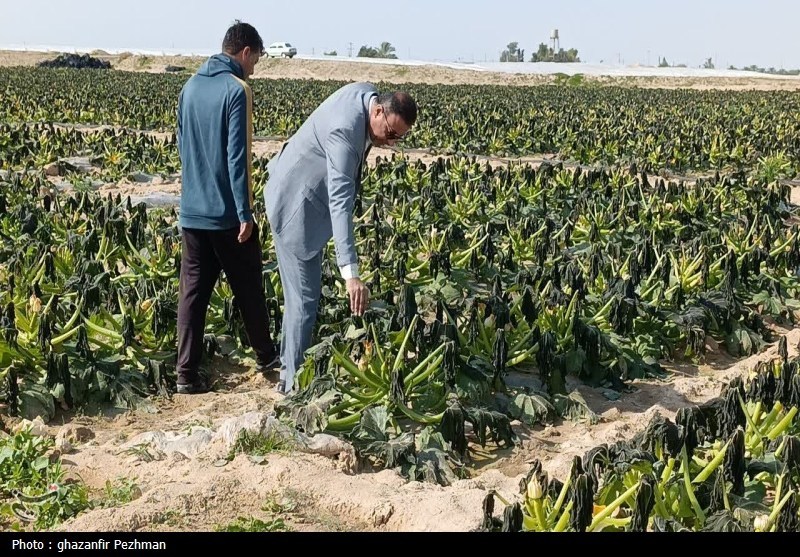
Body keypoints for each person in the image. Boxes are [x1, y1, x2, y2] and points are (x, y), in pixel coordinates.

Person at [265, 83, 418, 394]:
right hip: (295, 209)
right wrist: (351, 273)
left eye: (397, 139)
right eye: (389, 133)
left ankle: (288, 368)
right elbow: (340, 202)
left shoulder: (367, 96)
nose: (389, 143)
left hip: (307, 197)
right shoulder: (344, 132)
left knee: (304, 298)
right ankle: (289, 385)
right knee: (304, 302)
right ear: (377, 111)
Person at [175, 20, 279, 394]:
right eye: (256, 61)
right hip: (224, 213)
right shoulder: (238, 90)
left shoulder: (189, 87)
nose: (254, 69)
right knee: (249, 283)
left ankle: (185, 375)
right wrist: (244, 212)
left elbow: (181, 144)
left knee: (192, 292)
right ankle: (267, 355)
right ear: (245, 52)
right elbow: (239, 158)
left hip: (191, 210)